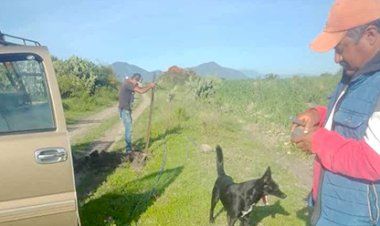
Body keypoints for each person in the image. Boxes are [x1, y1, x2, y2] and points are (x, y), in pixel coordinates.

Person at [290, 0, 380, 225]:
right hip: (331, 205)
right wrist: (317, 114)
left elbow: (374, 161)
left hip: (356, 217)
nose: (336, 58)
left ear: (370, 35)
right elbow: (349, 114)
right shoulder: (356, 74)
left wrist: (318, 141)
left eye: (340, 48)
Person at [118, 73, 155, 155]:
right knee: (129, 129)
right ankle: (128, 149)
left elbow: (139, 88)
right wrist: (150, 86)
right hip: (125, 110)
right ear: (135, 80)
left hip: (123, 109)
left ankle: (129, 147)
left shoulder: (128, 82)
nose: (137, 84)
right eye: (137, 82)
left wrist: (147, 86)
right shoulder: (128, 84)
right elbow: (141, 91)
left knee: (128, 128)